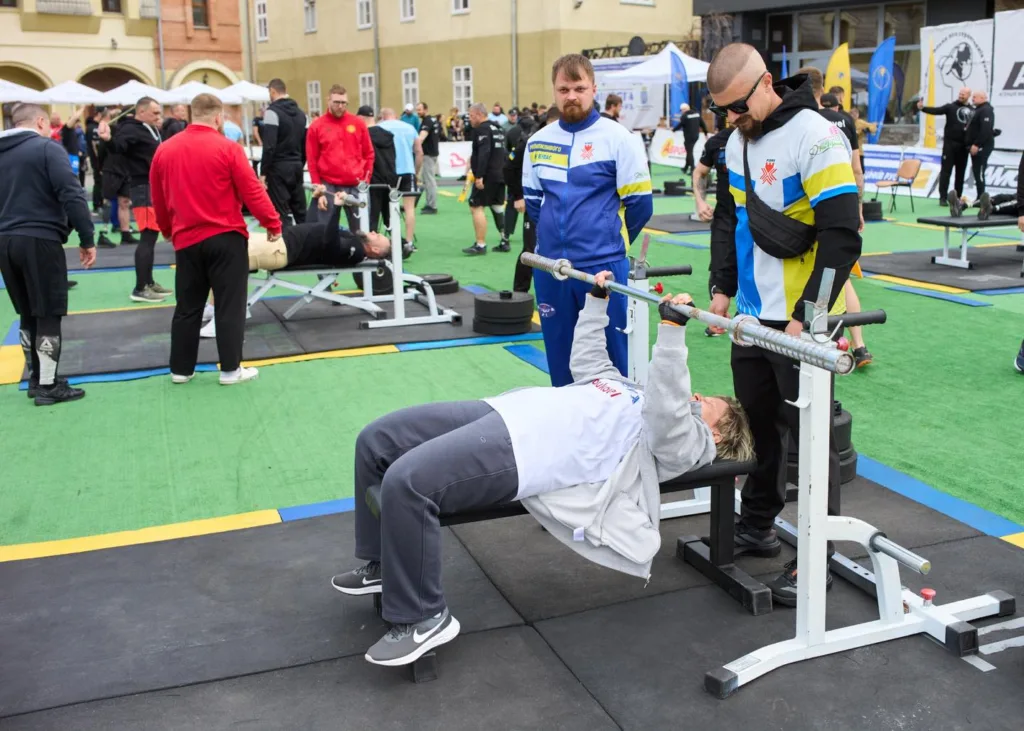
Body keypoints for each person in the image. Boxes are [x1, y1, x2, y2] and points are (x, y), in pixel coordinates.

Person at [330, 274, 754, 666]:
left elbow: (667, 413)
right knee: (377, 439)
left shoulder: (687, 444)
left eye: (707, 403)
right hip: (507, 409)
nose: (696, 396)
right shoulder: (634, 392)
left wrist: (673, 334)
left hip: (528, 449)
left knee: (408, 482)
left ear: (717, 435)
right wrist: (596, 302)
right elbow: (589, 366)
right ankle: (380, 565)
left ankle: (424, 618)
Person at [705, 43, 861, 606]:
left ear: (767, 83)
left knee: (811, 441)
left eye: (739, 107)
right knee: (760, 425)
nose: (732, 120)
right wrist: (721, 288)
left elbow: (843, 236)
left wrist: (808, 319)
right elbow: (729, 218)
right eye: (723, 110)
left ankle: (819, 554)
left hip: (802, 325)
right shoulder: (733, 143)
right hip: (751, 318)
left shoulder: (817, 136)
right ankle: (758, 525)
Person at [523, 53, 653, 387]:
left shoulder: (619, 138)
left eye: (579, 88)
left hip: (603, 268)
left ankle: (618, 434)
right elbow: (536, 205)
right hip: (552, 269)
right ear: (554, 91)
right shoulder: (537, 142)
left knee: (612, 360)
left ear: (593, 88)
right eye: (564, 89)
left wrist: (607, 243)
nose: (571, 96)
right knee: (561, 359)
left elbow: (640, 205)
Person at [149, 93, 282, 386]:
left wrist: (168, 229)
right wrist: (272, 222)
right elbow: (252, 190)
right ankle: (231, 370)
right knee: (229, 304)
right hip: (226, 236)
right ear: (218, 117)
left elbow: (158, 197)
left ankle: (181, 370)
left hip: (186, 239)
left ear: (190, 115)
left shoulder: (165, 150)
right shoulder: (228, 148)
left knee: (187, 306)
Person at [0, 103, 96, 406]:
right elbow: (71, 192)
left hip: (4, 239)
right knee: (49, 312)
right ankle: (48, 385)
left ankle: (36, 378)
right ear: (40, 121)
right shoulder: (46, 148)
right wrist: (86, 237)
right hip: (39, 238)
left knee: (26, 312)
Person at [804, 69, 873, 368]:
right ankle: (859, 347)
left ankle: (831, 344)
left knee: (829, 277)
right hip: (840, 204)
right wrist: (857, 209)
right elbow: (856, 170)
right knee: (842, 277)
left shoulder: (802, 123)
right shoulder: (845, 121)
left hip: (814, 208)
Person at [113, 96, 168, 303]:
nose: (158, 116)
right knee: (147, 238)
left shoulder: (150, 128)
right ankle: (139, 288)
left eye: (159, 112)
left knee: (152, 238)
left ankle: (149, 282)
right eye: (154, 113)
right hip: (143, 188)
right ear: (141, 112)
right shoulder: (131, 129)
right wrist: (108, 138)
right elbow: (118, 146)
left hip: (153, 187)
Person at [306, 85, 374, 231]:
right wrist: (318, 188)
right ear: (328, 101)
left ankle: (360, 254)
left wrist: (365, 181)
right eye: (337, 102)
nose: (340, 106)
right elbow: (312, 159)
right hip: (328, 185)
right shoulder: (316, 126)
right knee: (324, 231)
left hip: (355, 185)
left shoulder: (358, 124)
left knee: (361, 231)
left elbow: (369, 153)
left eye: (344, 103)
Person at [505, 108, 555, 293]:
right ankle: (520, 293)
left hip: (556, 205)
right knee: (530, 249)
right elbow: (509, 168)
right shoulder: (530, 141)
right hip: (533, 202)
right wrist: (518, 196)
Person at [692, 123, 735, 338]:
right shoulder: (717, 142)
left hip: (755, 219)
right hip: (724, 218)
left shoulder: (762, 137)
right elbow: (700, 172)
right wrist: (700, 202)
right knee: (718, 268)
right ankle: (717, 318)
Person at [261, 78, 308, 228]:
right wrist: (300, 164)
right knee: (301, 213)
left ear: (272, 92)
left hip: (278, 168)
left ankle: (287, 247)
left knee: (281, 213)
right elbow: (305, 144)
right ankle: (308, 246)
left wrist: (263, 173)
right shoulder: (301, 114)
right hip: (296, 166)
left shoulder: (272, 112)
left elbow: (269, 146)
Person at [462, 102, 508, 255]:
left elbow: (484, 152)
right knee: (497, 206)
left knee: (476, 205)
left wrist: (479, 175)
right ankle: (504, 239)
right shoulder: (498, 128)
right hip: (500, 174)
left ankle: (480, 244)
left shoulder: (482, 129)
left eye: (471, 116)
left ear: (478, 115)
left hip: (488, 175)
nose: (470, 119)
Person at [377, 107, 423, 254]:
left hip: (388, 172)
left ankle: (393, 239)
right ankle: (409, 242)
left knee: (387, 206)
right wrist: (415, 171)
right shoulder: (409, 127)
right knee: (409, 208)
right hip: (407, 170)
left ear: (382, 117)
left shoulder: (378, 128)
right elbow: (419, 152)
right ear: (396, 116)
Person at [917, 88, 972, 208]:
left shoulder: (972, 110)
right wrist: (923, 108)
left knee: (960, 174)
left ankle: (957, 197)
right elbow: (937, 110)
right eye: (960, 93)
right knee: (946, 172)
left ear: (969, 95)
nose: (961, 96)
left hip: (964, 147)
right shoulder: (950, 107)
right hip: (950, 145)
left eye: (963, 94)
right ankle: (942, 197)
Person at [357, 106, 400, 236]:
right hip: (390, 178)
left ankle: (371, 246)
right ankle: (398, 245)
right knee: (390, 216)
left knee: (372, 216)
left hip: (373, 179)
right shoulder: (387, 135)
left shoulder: (364, 136)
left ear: (361, 118)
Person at [501, 109, 538, 247]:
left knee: (512, 206)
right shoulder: (533, 136)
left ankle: (506, 236)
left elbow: (508, 155)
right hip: (526, 177)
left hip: (517, 176)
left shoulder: (512, 132)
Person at [965, 90, 995, 206]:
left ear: (983, 98)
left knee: (980, 172)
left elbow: (985, 129)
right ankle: (979, 196)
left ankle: (981, 198)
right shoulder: (978, 110)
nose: (973, 99)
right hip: (975, 146)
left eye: (975, 97)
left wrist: (977, 144)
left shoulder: (986, 110)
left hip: (982, 147)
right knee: (977, 172)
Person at [416, 101, 441, 215]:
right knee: (427, 180)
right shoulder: (434, 120)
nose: (418, 112)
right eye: (417, 109)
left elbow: (422, 137)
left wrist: (415, 147)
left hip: (428, 154)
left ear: (426, 110)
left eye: (420, 109)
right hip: (433, 152)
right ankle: (429, 203)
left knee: (429, 180)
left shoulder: (427, 121)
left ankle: (432, 205)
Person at [673, 102, 707, 176]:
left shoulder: (684, 116)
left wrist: (673, 130)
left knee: (689, 152)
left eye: (681, 110)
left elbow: (680, 125)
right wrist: (706, 133)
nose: (681, 112)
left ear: (684, 109)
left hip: (688, 137)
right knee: (689, 151)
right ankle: (685, 168)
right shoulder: (697, 113)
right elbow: (702, 124)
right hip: (696, 136)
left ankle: (692, 169)